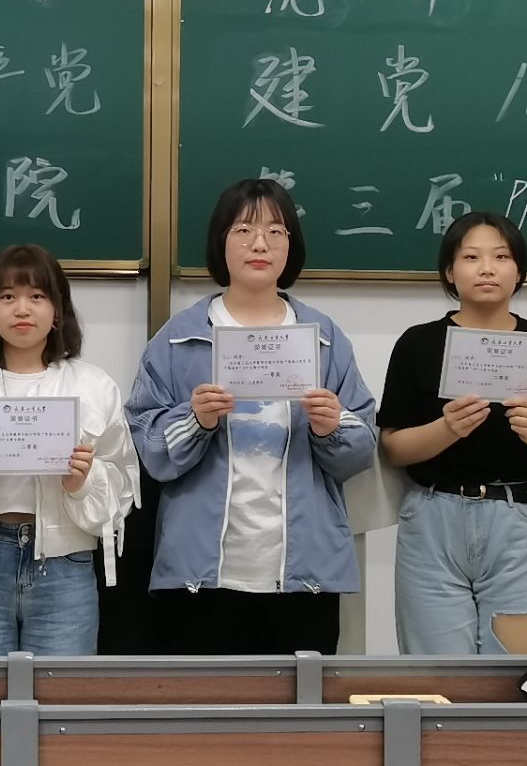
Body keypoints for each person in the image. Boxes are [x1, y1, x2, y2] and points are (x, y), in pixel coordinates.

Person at [125, 178, 378, 655]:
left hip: (305, 574)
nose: (260, 244)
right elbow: (148, 447)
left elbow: (361, 449)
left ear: (290, 246)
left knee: (301, 702)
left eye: (276, 232)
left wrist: (332, 426)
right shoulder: (179, 338)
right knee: (210, 700)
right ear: (220, 241)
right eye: (243, 230)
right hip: (201, 575)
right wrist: (195, 420)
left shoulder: (324, 338)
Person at [378, 210, 527, 655]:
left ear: (519, 272)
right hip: (432, 518)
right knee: (439, 677)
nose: (487, 268)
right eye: (471, 257)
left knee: (515, 674)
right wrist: (447, 429)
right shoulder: (418, 343)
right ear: (450, 272)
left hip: (516, 519)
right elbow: (393, 447)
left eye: (501, 257)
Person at [0, 243, 137, 655]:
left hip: (66, 566)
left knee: (60, 694)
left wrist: (82, 483)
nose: (22, 309)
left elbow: (122, 487)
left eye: (37, 296)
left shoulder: (94, 387)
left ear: (58, 310)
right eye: (7, 296)